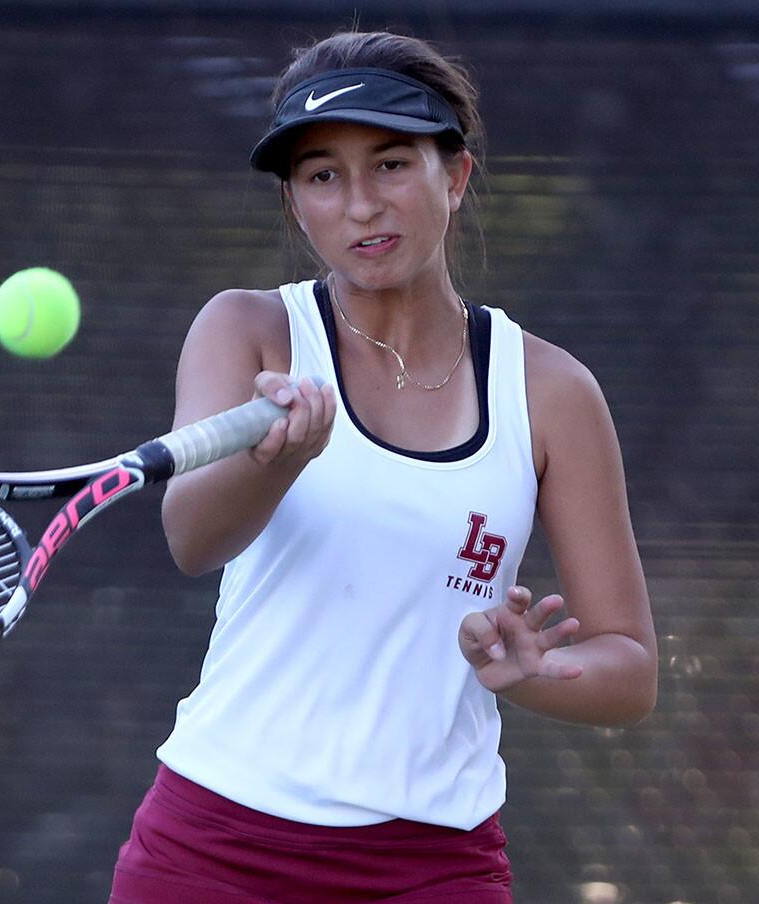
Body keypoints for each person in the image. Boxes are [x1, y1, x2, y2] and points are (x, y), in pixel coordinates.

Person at [108, 29, 658, 904]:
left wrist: (536, 672)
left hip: (435, 866)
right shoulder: (247, 330)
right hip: (212, 849)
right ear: (296, 204)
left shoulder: (553, 391)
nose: (361, 204)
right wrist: (276, 462)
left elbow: (628, 670)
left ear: (457, 175)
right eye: (324, 176)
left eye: (393, 164)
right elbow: (191, 536)